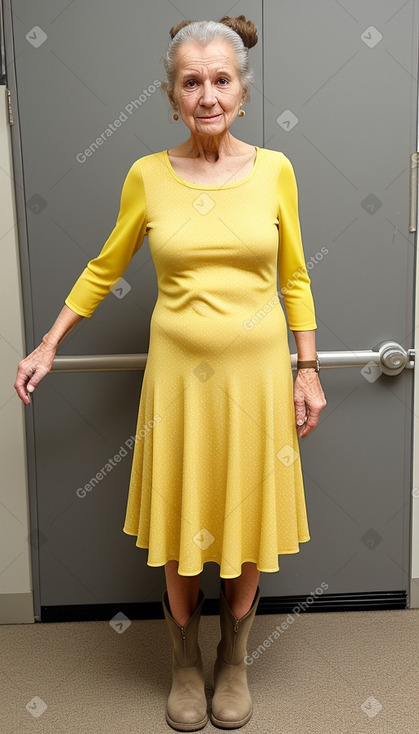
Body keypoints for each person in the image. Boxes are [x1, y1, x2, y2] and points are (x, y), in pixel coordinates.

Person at [14, 14, 327, 732]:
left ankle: (233, 661)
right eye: (192, 82)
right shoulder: (147, 176)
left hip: (256, 381)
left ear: (241, 93)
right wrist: (48, 345)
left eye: (221, 80)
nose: (207, 94)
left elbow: (296, 276)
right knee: (186, 528)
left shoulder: (276, 170)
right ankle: (184, 662)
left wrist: (305, 370)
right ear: (172, 94)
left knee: (243, 530)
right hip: (178, 386)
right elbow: (104, 267)